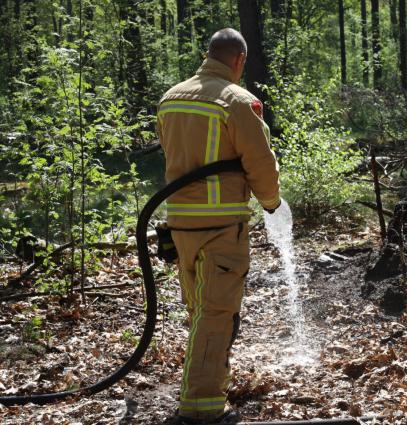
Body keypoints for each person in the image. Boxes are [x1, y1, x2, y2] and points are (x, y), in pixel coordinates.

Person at [156, 28, 281, 424]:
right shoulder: (236, 101)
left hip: (179, 224)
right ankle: (202, 407)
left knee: (201, 311)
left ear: (208, 54)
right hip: (222, 225)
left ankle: (213, 382)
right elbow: (260, 162)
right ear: (239, 61)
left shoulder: (170, 98)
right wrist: (272, 203)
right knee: (216, 313)